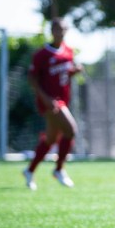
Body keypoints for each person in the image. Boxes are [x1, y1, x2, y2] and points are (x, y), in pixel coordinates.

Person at [22, 17, 83, 190]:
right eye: (57, 29)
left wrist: (74, 72)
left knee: (50, 139)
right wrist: (45, 99)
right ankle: (59, 169)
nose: (60, 32)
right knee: (71, 130)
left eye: (63, 29)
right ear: (52, 31)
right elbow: (32, 79)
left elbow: (62, 76)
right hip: (49, 102)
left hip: (62, 100)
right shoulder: (41, 54)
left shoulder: (69, 52)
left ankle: (29, 170)